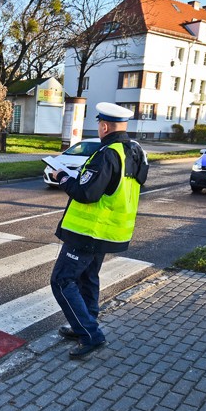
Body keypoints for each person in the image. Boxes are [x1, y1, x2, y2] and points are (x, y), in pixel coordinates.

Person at [49, 102, 149, 359]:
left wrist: (63, 177)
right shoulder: (135, 151)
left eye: (99, 125)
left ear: (104, 126)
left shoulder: (107, 153)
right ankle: (84, 322)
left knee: (61, 281)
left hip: (88, 231)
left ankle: (90, 334)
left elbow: (86, 193)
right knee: (87, 278)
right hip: (110, 231)